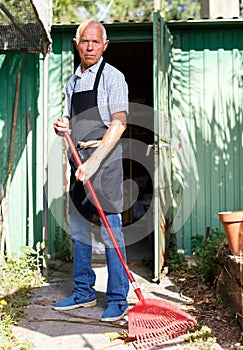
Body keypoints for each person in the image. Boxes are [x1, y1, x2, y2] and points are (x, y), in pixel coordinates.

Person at [52, 19, 129, 322]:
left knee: (112, 231)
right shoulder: (72, 81)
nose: (90, 47)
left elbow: (119, 122)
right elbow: (69, 123)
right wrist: (61, 127)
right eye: (85, 41)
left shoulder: (113, 78)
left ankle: (118, 298)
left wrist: (95, 161)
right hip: (77, 161)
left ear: (105, 45)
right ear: (77, 43)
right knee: (80, 229)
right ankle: (83, 291)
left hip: (104, 161)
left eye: (96, 42)